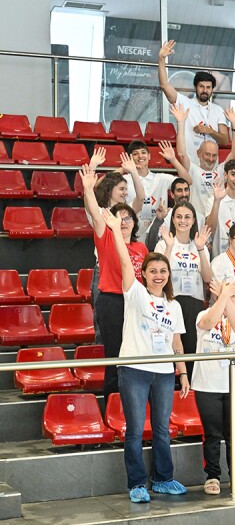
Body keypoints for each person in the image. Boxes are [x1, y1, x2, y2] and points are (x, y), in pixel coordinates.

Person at [103, 210, 188, 503]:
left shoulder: (174, 306)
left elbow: (176, 341)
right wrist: (116, 230)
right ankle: (137, 483)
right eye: (153, 270)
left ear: (168, 275)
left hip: (164, 373)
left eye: (163, 271)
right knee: (136, 430)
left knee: (162, 429)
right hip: (134, 370)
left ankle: (163, 479)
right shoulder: (135, 294)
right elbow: (125, 261)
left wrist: (183, 372)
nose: (158, 275)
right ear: (145, 274)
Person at [81, 164, 148, 405]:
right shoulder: (105, 236)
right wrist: (89, 189)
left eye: (128, 217)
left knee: (136, 354)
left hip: (137, 304)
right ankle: (112, 405)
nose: (124, 221)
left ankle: (136, 402)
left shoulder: (141, 248)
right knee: (115, 355)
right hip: (112, 301)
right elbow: (96, 215)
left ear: (134, 221)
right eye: (118, 218)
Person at [192, 279, 235, 495]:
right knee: (212, 433)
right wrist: (223, 296)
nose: (228, 298)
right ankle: (212, 476)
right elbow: (209, 321)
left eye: (233, 295)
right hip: (207, 385)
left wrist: (225, 295)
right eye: (223, 294)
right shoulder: (203, 315)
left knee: (234, 433)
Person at [154, 202, 212, 378]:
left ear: (194, 220)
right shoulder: (163, 244)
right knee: (170, 350)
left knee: (192, 350)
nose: (183, 221)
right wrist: (170, 246)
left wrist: (201, 248)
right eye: (179, 217)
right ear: (173, 219)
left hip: (194, 304)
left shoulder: (199, 245)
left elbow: (208, 278)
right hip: (171, 303)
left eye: (187, 217)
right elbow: (157, 274)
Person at [158, 40, 228, 161]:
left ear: (212, 90)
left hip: (212, 165)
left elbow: (225, 140)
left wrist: (209, 131)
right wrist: (161, 59)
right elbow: (164, 85)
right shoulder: (185, 103)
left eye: (208, 87)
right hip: (190, 163)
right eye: (201, 87)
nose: (205, 90)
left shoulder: (218, 110)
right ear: (195, 88)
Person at [122, 141, 175, 240]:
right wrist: (123, 168)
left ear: (149, 156)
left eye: (143, 152)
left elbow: (187, 180)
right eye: (135, 154)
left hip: (159, 232)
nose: (140, 156)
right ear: (130, 158)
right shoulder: (125, 179)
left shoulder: (161, 178)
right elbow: (100, 185)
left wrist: (173, 159)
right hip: (134, 232)